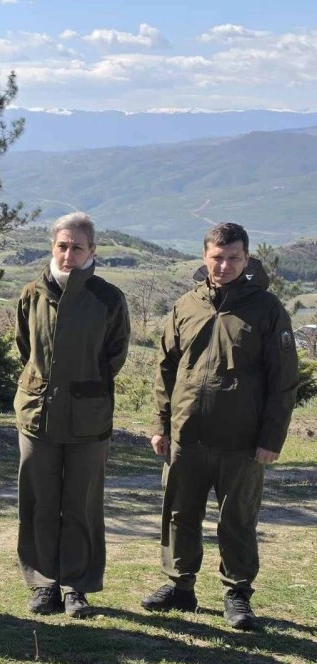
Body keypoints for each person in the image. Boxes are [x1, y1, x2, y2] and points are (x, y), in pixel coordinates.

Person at [142, 222, 298, 631]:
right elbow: (165, 369)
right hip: (186, 433)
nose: (224, 264)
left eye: (233, 257)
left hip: (242, 440)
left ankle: (237, 594)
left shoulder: (267, 310)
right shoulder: (186, 305)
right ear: (205, 257)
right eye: (217, 256)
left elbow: (284, 382)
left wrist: (271, 438)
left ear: (246, 258)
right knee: (179, 514)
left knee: (238, 519)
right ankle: (180, 586)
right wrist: (161, 423)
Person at [13, 212, 130, 618]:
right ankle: (43, 583)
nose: (68, 254)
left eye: (77, 247)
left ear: (92, 251)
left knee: (80, 503)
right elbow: (25, 348)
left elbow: (114, 355)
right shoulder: (32, 293)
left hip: (88, 420)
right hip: (38, 414)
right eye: (62, 246)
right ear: (52, 247)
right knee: (39, 501)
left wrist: (83, 388)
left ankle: (76, 586)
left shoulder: (108, 299)